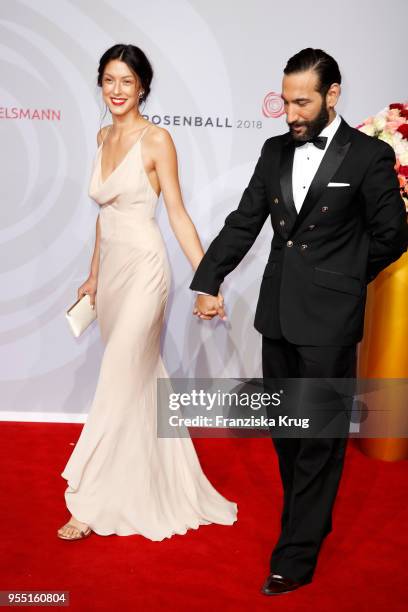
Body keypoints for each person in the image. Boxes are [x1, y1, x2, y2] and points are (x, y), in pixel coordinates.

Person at [190, 48, 407, 595]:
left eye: (303, 101)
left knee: (320, 439)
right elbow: (244, 222)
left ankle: (295, 555)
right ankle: (306, 522)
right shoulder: (273, 151)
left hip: (330, 321)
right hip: (278, 316)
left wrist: (343, 280)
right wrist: (208, 277)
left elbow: (393, 235)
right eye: (286, 101)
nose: (291, 113)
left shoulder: (368, 156)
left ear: (333, 95)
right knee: (288, 434)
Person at [57, 43, 237, 541]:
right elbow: (104, 215)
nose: (117, 90)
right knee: (134, 381)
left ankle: (89, 502)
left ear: (143, 88)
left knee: (116, 377)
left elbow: (176, 213)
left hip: (145, 271)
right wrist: (93, 273)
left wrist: (207, 280)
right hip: (112, 273)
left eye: (127, 82)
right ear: (102, 84)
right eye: (109, 80)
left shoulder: (157, 140)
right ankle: (148, 478)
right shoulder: (101, 135)